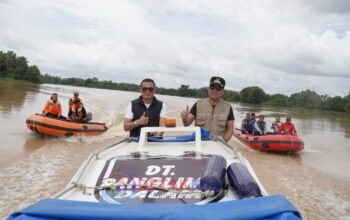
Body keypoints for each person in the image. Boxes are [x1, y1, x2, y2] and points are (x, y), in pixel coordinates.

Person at [181, 76, 234, 142]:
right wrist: (184, 117)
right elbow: (186, 123)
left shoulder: (228, 107)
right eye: (212, 87)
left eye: (218, 88)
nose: (215, 90)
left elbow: (230, 129)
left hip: (218, 144)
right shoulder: (198, 104)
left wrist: (223, 141)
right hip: (199, 142)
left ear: (222, 91)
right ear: (208, 89)